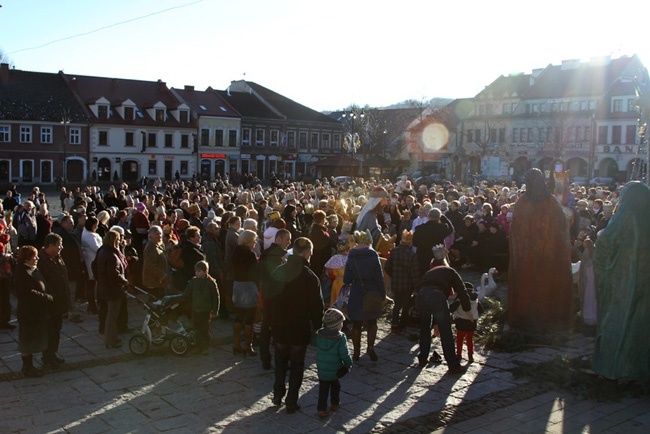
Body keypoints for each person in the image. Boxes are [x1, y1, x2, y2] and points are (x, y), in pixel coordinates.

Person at [593, 181, 650, 380]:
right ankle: (639, 367)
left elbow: (607, 240)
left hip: (622, 279)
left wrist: (599, 239)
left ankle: (614, 367)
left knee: (618, 318)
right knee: (641, 321)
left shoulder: (626, 215)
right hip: (645, 282)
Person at [508, 168, 573, 334]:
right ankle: (536, 317)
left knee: (536, 286)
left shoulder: (528, 202)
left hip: (535, 256)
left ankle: (535, 317)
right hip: (540, 256)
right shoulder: (547, 202)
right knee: (537, 286)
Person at [267, 237, 323, 414]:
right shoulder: (309, 277)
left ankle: (277, 394)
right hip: (299, 327)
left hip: (279, 325)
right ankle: (291, 400)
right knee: (297, 365)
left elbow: (268, 299)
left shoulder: (279, 271)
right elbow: (317, 305)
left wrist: (268, 320)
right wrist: (317, 325)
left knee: (280, 360)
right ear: (306, 253)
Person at [416, 244, 472, 374]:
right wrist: (468, 311)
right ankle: (453, 365)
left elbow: (419, 286)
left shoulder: (430, 272)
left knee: (425, 328)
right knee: (446, 331)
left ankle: (422, 358)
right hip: (436, 296)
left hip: (422, 296)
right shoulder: (450, 271)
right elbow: (462, 291)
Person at [343, 230, 385, 361]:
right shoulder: (373, 255)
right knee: (372, 321)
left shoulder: (351, 255)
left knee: (356, 323)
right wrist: (382, 294)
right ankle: (370, 347)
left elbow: (347, 279)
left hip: (356, 291)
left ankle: (356, 352)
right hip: (372, 290)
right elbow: (379, 277)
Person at [14, 245, 53, 377]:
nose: (36, 258)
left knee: (33, 339)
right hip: (28, 313)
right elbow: (27, 293)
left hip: (37, 311)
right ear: (26, 258)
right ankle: (27, 368)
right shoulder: (21, 272)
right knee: (26, 341)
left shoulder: (33, 269)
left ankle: (30, 366)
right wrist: (46, 297)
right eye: (34, 256)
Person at [258, 228, 291, 370]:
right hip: (278, 296)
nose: (289, 242)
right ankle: (281, 360)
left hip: (267, 294)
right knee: (280, 329)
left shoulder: (265, 253)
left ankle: (265, 358)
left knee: (266, 327)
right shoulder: (282, 256)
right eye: (287, 239)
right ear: (279, 239)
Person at [37, 233, 70, 368]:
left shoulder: (56, 257)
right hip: (50, 302)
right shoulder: (41, 261)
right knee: (49, 330)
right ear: (50, 246)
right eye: (58, 245)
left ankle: (53, 353)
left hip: (59, 300)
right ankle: (47, 355)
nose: (61, 248)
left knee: (56, 328)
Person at [315, 308, 353, 418]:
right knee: (336, 386)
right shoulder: (340, 337)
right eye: (341, 322)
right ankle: (334, 403)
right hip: (335, 369)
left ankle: (321, 409)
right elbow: (344, 353)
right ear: (337, 324)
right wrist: (348, 363)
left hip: (322, 368)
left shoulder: (319, 335)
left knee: (323, 389)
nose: (342, 324)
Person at [95, 230, 129, 349]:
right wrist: (124, 281)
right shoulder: (112, 255)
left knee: (110, 315)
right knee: (112, 316)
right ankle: (109, 340)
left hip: (104, 287)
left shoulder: (102, 252)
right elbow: (114, 274)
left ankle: (112, 338)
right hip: (113, 290)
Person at [384, 229, 419, 333]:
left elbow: (387, 266)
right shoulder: (412, 255)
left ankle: (394, 324)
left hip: (396, 283)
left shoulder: (394, 252)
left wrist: (393, 275)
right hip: (408, 285)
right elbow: (415, 273)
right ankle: (402, 325)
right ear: (411, 243)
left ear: (401, 241)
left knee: (397, 304)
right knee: (405, 305)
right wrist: (417, 287)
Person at [231, 229, 260, 356]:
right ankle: (248, 345)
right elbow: (255, 272)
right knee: (249, 318)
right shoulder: (250, 254)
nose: (255, 243)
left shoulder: (236, 251)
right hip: (248, 285)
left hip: (237, 284)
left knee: (239, 315)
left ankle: (235, 344)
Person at [183, 260, 220, 355]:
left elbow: (216, 297)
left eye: (199, 271)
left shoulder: (210, 282)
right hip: (196, 308)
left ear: (205, 271)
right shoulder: (193, 281)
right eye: (196, 271)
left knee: (205, 329)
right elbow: (187, 293)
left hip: (206, 310)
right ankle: (198, 346)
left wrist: (215, 310)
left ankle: (205, 347)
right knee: (197, 329)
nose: (197, 273)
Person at [412, 208, 453, 277]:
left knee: (423, 273)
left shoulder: (419, 228)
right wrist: (443, 218)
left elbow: (415, 243)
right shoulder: (442, 227)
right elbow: (451, 229)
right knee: (439, 273)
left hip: (423, 253)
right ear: (439, 218)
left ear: (428, 216)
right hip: (438, 253)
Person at [449, 282, 483, 363]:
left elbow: (451, 309)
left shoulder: (460, 299)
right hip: (472, 323)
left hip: (461, 322)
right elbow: (481, 310)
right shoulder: (476, 300)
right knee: (470, 340)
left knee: (459, 340)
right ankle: (470, 355)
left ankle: (459, 355)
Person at [81, 216, 102, 314]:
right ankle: (92, 304)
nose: (97, 227)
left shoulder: (88, 233)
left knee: (92, 283)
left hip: (92, 259)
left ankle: (93, 304)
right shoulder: (89, 236)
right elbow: (97, 248)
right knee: (92, 283)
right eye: (95, 226)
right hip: (92, 259)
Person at [142, 226, 169, 300]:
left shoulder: (157, 245)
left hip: (159, 282)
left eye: (160, 234)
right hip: (154, 282)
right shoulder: (151, 247)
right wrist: (162, 275)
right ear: (150, 235)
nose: (159, 236)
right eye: (156, 234)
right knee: (155, 303)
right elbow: (150, 265)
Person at [324, 240, 350, 307]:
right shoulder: (350, 258)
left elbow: (329, 272)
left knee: (336, 299)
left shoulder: (334, 258)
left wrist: (333, 279)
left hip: (338, 282)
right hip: (348, 283)